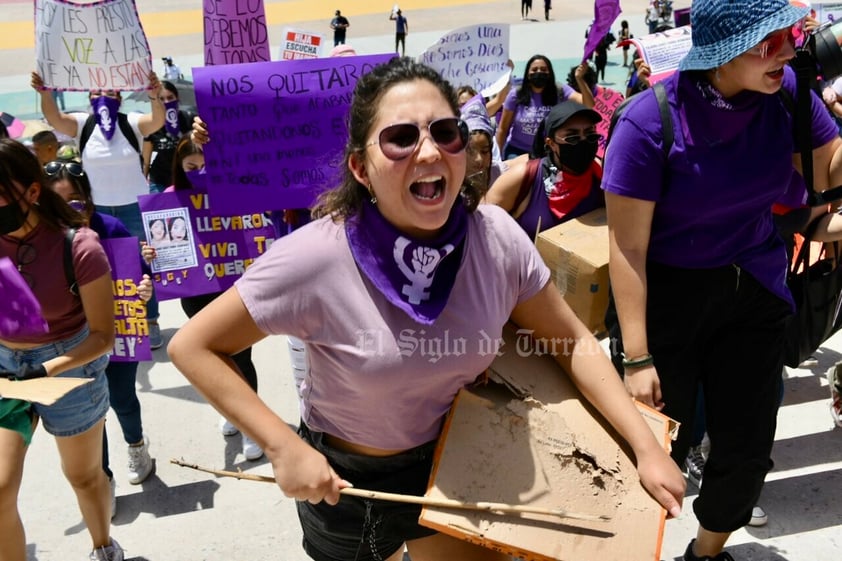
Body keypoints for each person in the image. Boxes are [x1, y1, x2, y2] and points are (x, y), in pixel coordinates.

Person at [168, 56, 684, 561]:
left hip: (459, 456)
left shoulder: (497, 239)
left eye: (445, 131)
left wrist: (645, 447)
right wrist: (282, 446)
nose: (430, 151)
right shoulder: (313, 258)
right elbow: (193, 346)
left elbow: (571, 342)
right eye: (401, 138)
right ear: (360, 168)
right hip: (350, 484)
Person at [601, 1, 842, 559]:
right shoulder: (647, 121)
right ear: (723, 52)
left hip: (753, 287)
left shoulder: (787, 97)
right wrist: (636, 359)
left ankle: (705, 554)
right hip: (665, 298)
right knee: (658, 446)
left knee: (749, 445)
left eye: (790, 36)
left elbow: (829, 171)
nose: (787, 49)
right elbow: (627, 248)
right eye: (769, 40)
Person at [0, 139, 123, 560]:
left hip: (72, 367)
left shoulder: (80, 246)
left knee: (85, 477)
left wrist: (46, 371)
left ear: (32, 192)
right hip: (6, 370)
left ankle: (103, 546)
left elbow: (103, 336)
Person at [143, 136, 264, 461]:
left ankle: (255, 427)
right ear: (180, 169)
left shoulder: (233, 192)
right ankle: (230, 410)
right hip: (195, 293)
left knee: (241, 357)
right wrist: (151, 252)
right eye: (192, 167)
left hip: (234, 287)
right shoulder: (167, 201)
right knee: (213, 357)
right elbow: (160, 249)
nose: (200, 172)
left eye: (206, 166)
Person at [44, 158, 155, 510]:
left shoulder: (112, 228)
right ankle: (103, 477)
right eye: (57, 204)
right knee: (94, 414)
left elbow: (138, 274)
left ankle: (137, 446)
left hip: (121, 333)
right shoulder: (43, 242)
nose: (68, 211)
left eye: (75, 202)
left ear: (89, 200)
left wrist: (144, 287)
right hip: (76, 343)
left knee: (122, 398)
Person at [31, 71, 167, 350]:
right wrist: (45, 93)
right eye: (95, 93)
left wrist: (154, 95)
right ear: (88, 99)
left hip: (133, 207)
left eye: (108, 93)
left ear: (119, 96)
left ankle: (150, 319)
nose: (102, 97)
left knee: (140, 263)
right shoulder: (84, 124)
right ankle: (109, 321)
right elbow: (55, 119)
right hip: (94, 209)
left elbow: (157, 121)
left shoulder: (131, 123)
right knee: (102, 266)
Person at [486, 100, 605, 239]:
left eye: (590, 135)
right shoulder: (523, 177)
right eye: (572, 137)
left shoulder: (602, 177)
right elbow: (481, 227)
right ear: (552, 143)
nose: (583, 142)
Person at [496, 56, 595, 160]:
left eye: (543, 70)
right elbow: (503, 128)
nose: (539, 72)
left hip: (548, 151)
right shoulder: (516, 94)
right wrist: (497, 158)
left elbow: (588, 104)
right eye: (534, 70)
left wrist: (580, 79)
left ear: (550, 73)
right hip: (517, 151)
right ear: (528, 75)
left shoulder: (560, 91)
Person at [143, 80, 194, 194]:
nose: (166, 102)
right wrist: (143, 183)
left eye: (170, 97)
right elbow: (146, 161)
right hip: (159, 181)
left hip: (186, 180)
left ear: (177, 98)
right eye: (161, 99)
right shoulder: (152, 124)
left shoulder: (189, 119)